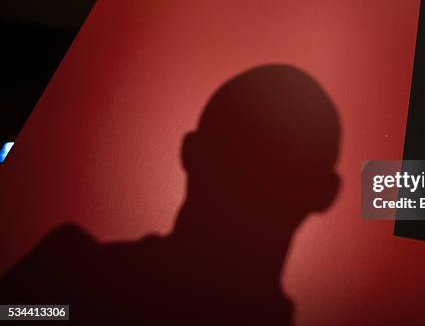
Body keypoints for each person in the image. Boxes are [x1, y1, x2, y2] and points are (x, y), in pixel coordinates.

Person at [0, 64, 341, 325]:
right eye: (240, 155)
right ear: (323, 193)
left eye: (276, 166)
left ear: (190, 153)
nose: (255, 182)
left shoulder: (69, 278)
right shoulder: (68, 279)